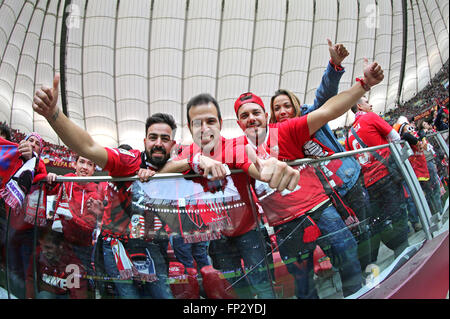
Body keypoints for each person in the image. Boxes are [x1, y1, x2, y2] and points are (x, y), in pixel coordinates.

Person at [32, 77, 174, 298]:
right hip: (115, 243)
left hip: (150, 243)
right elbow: (88, 146)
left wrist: (205, 162)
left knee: (162, 294)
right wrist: (54, 115)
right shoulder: (129, 160)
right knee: (127, 295)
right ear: (144, 141)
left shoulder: (182, 166)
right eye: (153, 137)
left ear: (173, 145)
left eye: (165, 139)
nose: (158, 143)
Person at [159, 93, 301, 299]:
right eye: (197, 123)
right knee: (236, 290)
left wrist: (271, 171)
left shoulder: (234, 147)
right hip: (217, 238)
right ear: (190, 128)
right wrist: (196, 161)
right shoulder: (187, 153)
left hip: (249, 231)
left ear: (220, 124)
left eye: (211, 121)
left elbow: (255, 166)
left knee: (262, 286)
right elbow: (161, 170)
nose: (205, 128)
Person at [269, 43, 375, 272]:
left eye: (287, 105)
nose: (283, 111)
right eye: (277, 109)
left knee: (363, 229)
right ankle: (354, 273)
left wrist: (334, 65)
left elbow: (326, 97)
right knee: (338, 239)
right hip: (324, 197)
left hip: (347, 181)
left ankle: (369, 269)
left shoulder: (310, 115)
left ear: (296, 106)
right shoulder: (277, 139)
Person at [345, 97, 410, 263]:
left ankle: (398, 251)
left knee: (383, 219)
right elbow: (396, 138)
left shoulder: (348, 134)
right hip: (386, 175)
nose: (371, 104)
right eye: (367, 102)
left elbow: (353, 161)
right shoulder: (370, 117)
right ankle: (405, 256)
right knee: (398, 215)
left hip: (370, 184)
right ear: (359, 105)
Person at [45, 154, 107, 298]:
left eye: (90, 164)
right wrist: (51, 177)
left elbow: (89, 225)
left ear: (93, 170)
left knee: (78, 287)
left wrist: (70, 219)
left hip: (82, 247)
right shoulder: (65, 181)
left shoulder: (98, 192)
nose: (85, 167)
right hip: (61, 243)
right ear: (74, 164)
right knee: (58, 284)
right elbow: (48, 189)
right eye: (82, 162)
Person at [26, 229, 88, 299]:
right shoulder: (37, 254)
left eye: (49, 248)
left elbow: (78, 293)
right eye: (42, 246)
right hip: (46, 293)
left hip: (66, 295)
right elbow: (30, 279)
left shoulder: (73, 266)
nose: (44, 251)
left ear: (60, 246)